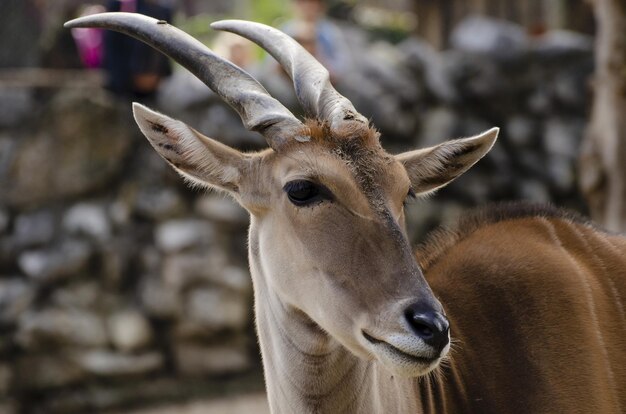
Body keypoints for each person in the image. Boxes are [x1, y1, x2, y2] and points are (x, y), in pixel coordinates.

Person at [102, 0, 173, 100]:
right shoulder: (121, 5)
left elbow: (166, 47)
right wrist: (127, 79)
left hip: (153, 83)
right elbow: (113, 47)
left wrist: (159, 76)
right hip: (126, 84)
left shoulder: (165, 10)